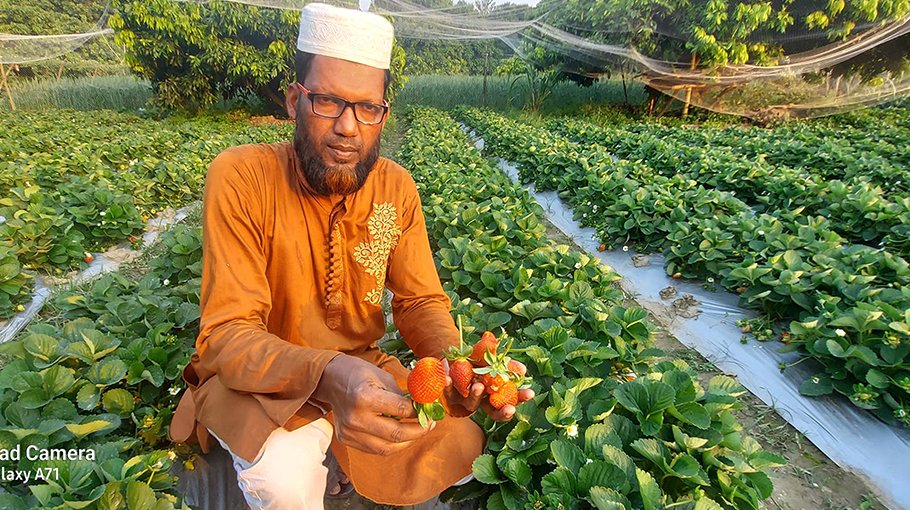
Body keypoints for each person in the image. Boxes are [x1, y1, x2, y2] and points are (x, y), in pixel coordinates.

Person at [168, 4, 533, 509]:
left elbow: (419, 302)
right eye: (328, 103)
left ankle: (342, 442)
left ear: (383, 113)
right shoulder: (242, 177)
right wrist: (328, 376)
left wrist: (456, 364)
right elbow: (226, 335)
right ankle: (316, 444)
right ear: (295, 100)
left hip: (361, 368)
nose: (347, 126)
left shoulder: (395, 188)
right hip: (262, 380)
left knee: (459, 441)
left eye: (367, 108)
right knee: (286, 482)